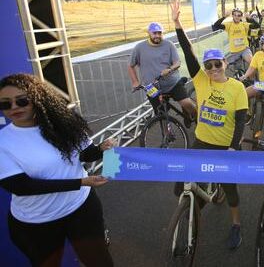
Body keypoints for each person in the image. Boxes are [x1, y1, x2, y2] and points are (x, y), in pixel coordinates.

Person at [0, 73, 114, 267]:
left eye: (22, 100)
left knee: (100, 262)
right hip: (36, 222)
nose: (14, 108)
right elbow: (21, 186)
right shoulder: (4, 142)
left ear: (38, 98)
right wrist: (81, 182)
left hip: (81, 208)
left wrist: (101, 149)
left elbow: (85, 155)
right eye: (5, 104)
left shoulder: (63, 122)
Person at [171, 0, 248, 250]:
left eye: (218, 64)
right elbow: (188, 52)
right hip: (201, 141)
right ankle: (192, 208)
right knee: (183, 184)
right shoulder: (202, 81)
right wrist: (177, 24)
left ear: (225, 64)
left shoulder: (237, 87)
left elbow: (239, 121)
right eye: (209, 66)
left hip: (225, 145)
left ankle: (236, 225)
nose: (214, 69)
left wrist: (234, 147)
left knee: (231, 191)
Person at [128, 22, 195, 127]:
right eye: (154, 33)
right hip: (152, 87)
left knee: (187, 103)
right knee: (161, 115)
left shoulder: (169, 45)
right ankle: (166, 138)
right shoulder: (139, 47)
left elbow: (177, 62)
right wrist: (135, 82)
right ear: (149, 33)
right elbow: (130, 65)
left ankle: (195, 118)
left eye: (160, 33)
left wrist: (169, 69)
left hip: (173, 83)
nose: (157, 36)